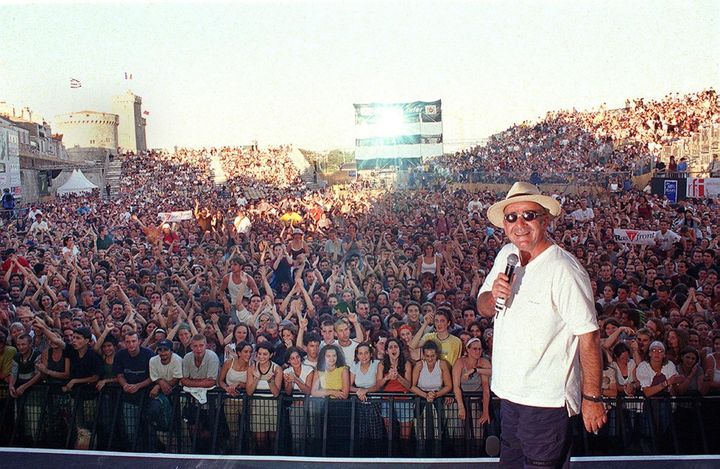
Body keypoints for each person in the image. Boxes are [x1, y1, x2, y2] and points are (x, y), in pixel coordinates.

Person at [477, 182, 606, 468]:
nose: (519, 224)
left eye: (529, 215)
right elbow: (483, 306)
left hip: (546, 403)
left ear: (544, 220)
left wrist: (592, 397)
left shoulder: (563, 269)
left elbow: (589, 336)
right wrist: (492, 294)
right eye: (511, 217)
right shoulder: (505, 256)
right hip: (509, 397)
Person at [113, 331, 154, 447]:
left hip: (147, 399)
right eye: (128, 342)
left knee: (150, 431)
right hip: (128, 399)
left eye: (133, 341)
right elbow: (119, 374)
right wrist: (124, 385)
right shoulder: (120, 355)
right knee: (131, 431)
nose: (131, 344)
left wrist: (138, 386)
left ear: (139, 342)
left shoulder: (149, 354)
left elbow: (154, 376)